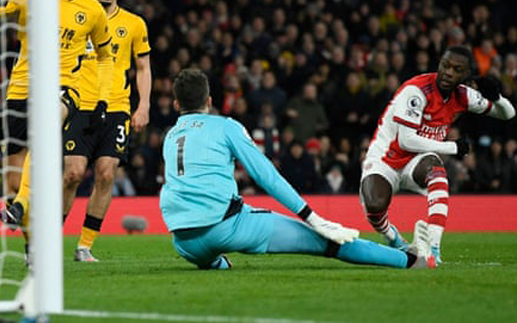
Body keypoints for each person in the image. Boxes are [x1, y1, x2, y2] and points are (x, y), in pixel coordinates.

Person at [160, 69, 436, 270]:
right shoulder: (225, 126)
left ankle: (217, 263)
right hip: (229, 227)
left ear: (176, 105)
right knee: (327, 242)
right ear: (209, 101)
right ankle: (411, 260)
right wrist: (311, 217)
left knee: (209, 250)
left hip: (185, 242)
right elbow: (266, 176)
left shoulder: (170, 137)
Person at [0, 0, 115, 239]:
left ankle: (21, 202)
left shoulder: (92, 10)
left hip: (64, 88)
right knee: (12, 180)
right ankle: (32, 247)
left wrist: (103, 98)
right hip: (21, 90)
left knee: (46, 124)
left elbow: (105, 56)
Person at [360, 45, 515, 265]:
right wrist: (454, 147)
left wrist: (497, 97)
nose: (449, 72)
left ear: (465, 75)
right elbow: (406, 140)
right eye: (445, 65)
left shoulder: (464, 95)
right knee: (374, 206)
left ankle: (434, 249)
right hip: (385, 158)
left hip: (417, 159)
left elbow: (508, 114)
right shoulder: (416, 91)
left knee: (437, 172)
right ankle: (394, 239)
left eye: (457, 69)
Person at [62, 0, 152, 262]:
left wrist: (144, 105)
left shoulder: (134, 24)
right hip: (80, 105)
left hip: (116, 108)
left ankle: (84, 246)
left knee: (106, 173)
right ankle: (45, 242)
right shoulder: (75, 17)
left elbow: (143, 67)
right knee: (73, 174)